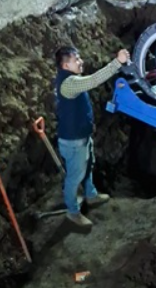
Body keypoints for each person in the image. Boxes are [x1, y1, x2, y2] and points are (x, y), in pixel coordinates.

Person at [54, 45, 130, 228]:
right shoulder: (69, 83)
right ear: (65, 66)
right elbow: (94, 80)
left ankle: (91, 195)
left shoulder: (71, 79)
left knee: (88, 166)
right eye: (76, 60)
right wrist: (117, 63)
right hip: (73, 142)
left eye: (79, 58)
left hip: (81, 137)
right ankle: (72, 212)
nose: (81, 62)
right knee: (74, 177)